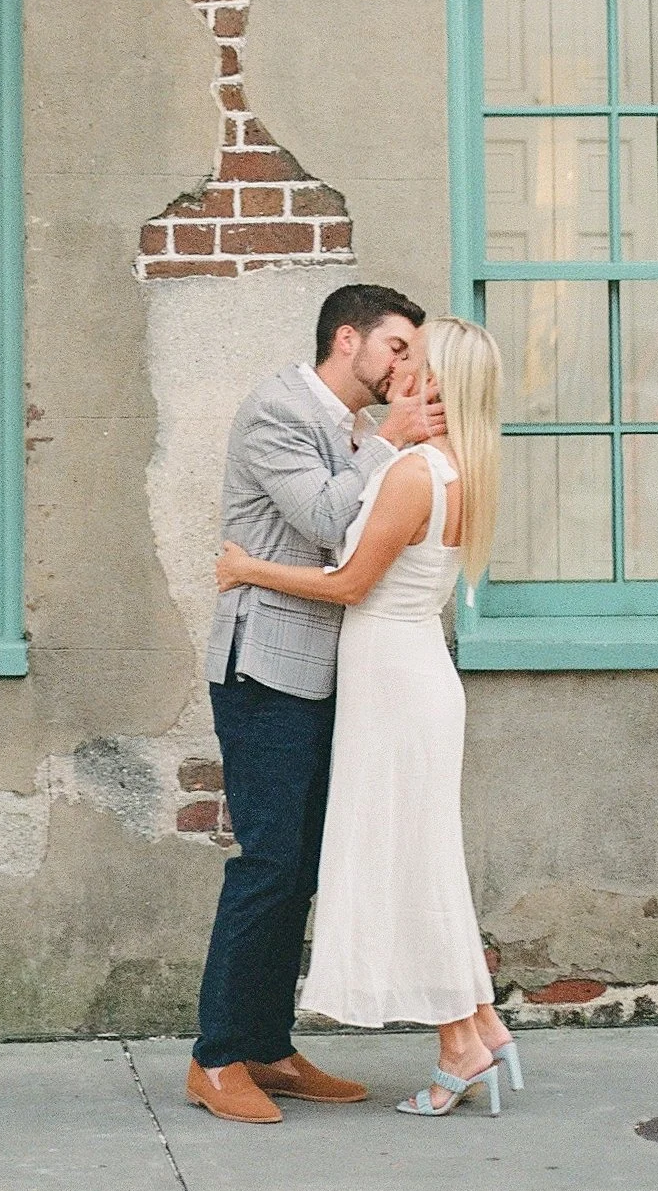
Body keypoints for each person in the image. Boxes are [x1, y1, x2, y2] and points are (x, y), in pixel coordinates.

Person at [215, 313, 517, 1119]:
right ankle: (477, 1022)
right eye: (397, 346)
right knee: (418, 856)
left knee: (409, 860)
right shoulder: (457, 467)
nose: (399, 365)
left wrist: (248, 567)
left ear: (436, 382)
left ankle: (463, 1036)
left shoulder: (416, 469)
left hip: (394, 677)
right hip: (403, 672)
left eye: (412, 356)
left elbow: (349, 580)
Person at [185, 282, 441, 1127]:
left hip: (326, 675)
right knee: (266, 864)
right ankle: (216, 1058)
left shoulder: (346, 429)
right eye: (397, 347)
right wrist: (391, 442)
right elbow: (330, 521)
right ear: (348, 339)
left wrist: (383, 442)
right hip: (265, 672)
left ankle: (268, 1045)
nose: (406, 366)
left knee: (300, 869)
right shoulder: (279, 412)